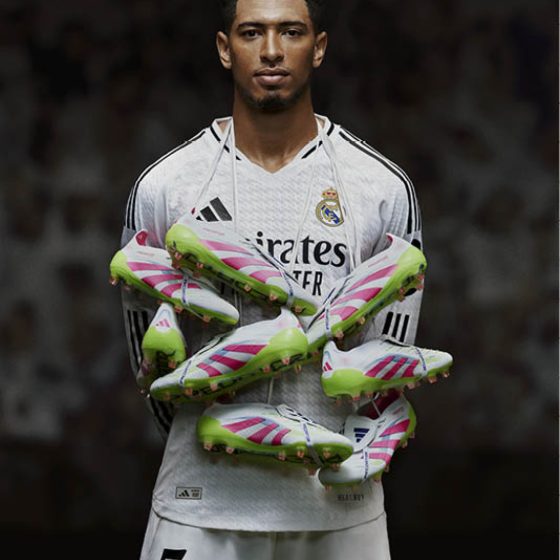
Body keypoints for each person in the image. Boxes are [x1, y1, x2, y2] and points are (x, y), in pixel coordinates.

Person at [120, 1, 423, 558]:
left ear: (319, 47)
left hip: (338, 512)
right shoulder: (167, 186)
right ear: (224, 48)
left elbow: (385, 365)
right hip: (201, 505)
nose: (272, 51)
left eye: (291, 32)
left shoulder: (381, 187)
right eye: (252, 32)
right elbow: (152, 370)